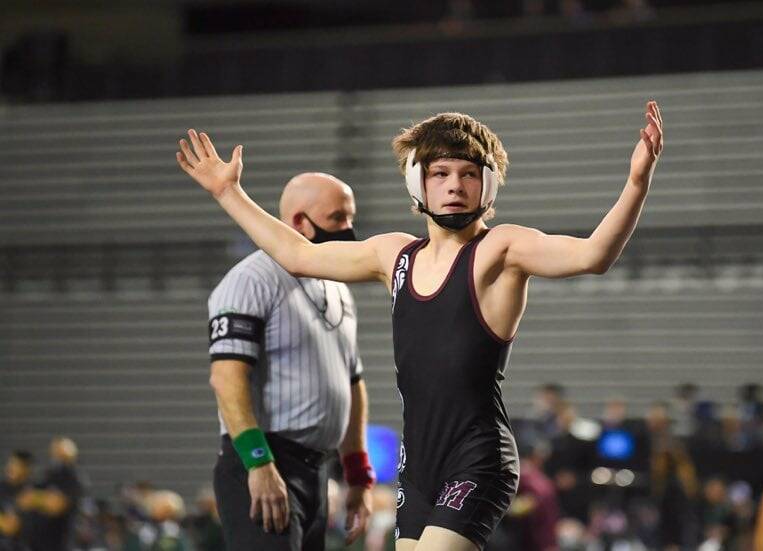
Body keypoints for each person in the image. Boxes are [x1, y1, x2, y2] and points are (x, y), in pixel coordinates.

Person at [177, 100, 663, 550]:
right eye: (440, 173)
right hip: (418, 467)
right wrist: (228, 192)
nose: (454, 185)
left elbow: (593, 254)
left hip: (478, 458)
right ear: (418, 185)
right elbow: (298, 255)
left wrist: (637, 183)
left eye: (469, 173)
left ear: (487, 186)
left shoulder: (501, 249)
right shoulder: (396, 255)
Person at [205, 172, 374, 551]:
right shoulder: (252, 280)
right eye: (337, 218)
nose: (348, 229)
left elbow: (351, 383)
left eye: (350, 217)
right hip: (266, 459)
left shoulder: (336, 286)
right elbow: (227, 379)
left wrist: (358, 475)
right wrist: (258, 463)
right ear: (299, 221)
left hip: (315, 469)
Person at [0, 450, 34, 551]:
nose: (10, 468)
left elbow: (10, 527)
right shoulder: (2, 488)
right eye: (10, 463)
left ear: (26, 469)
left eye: (16, 464)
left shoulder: (31, 491)